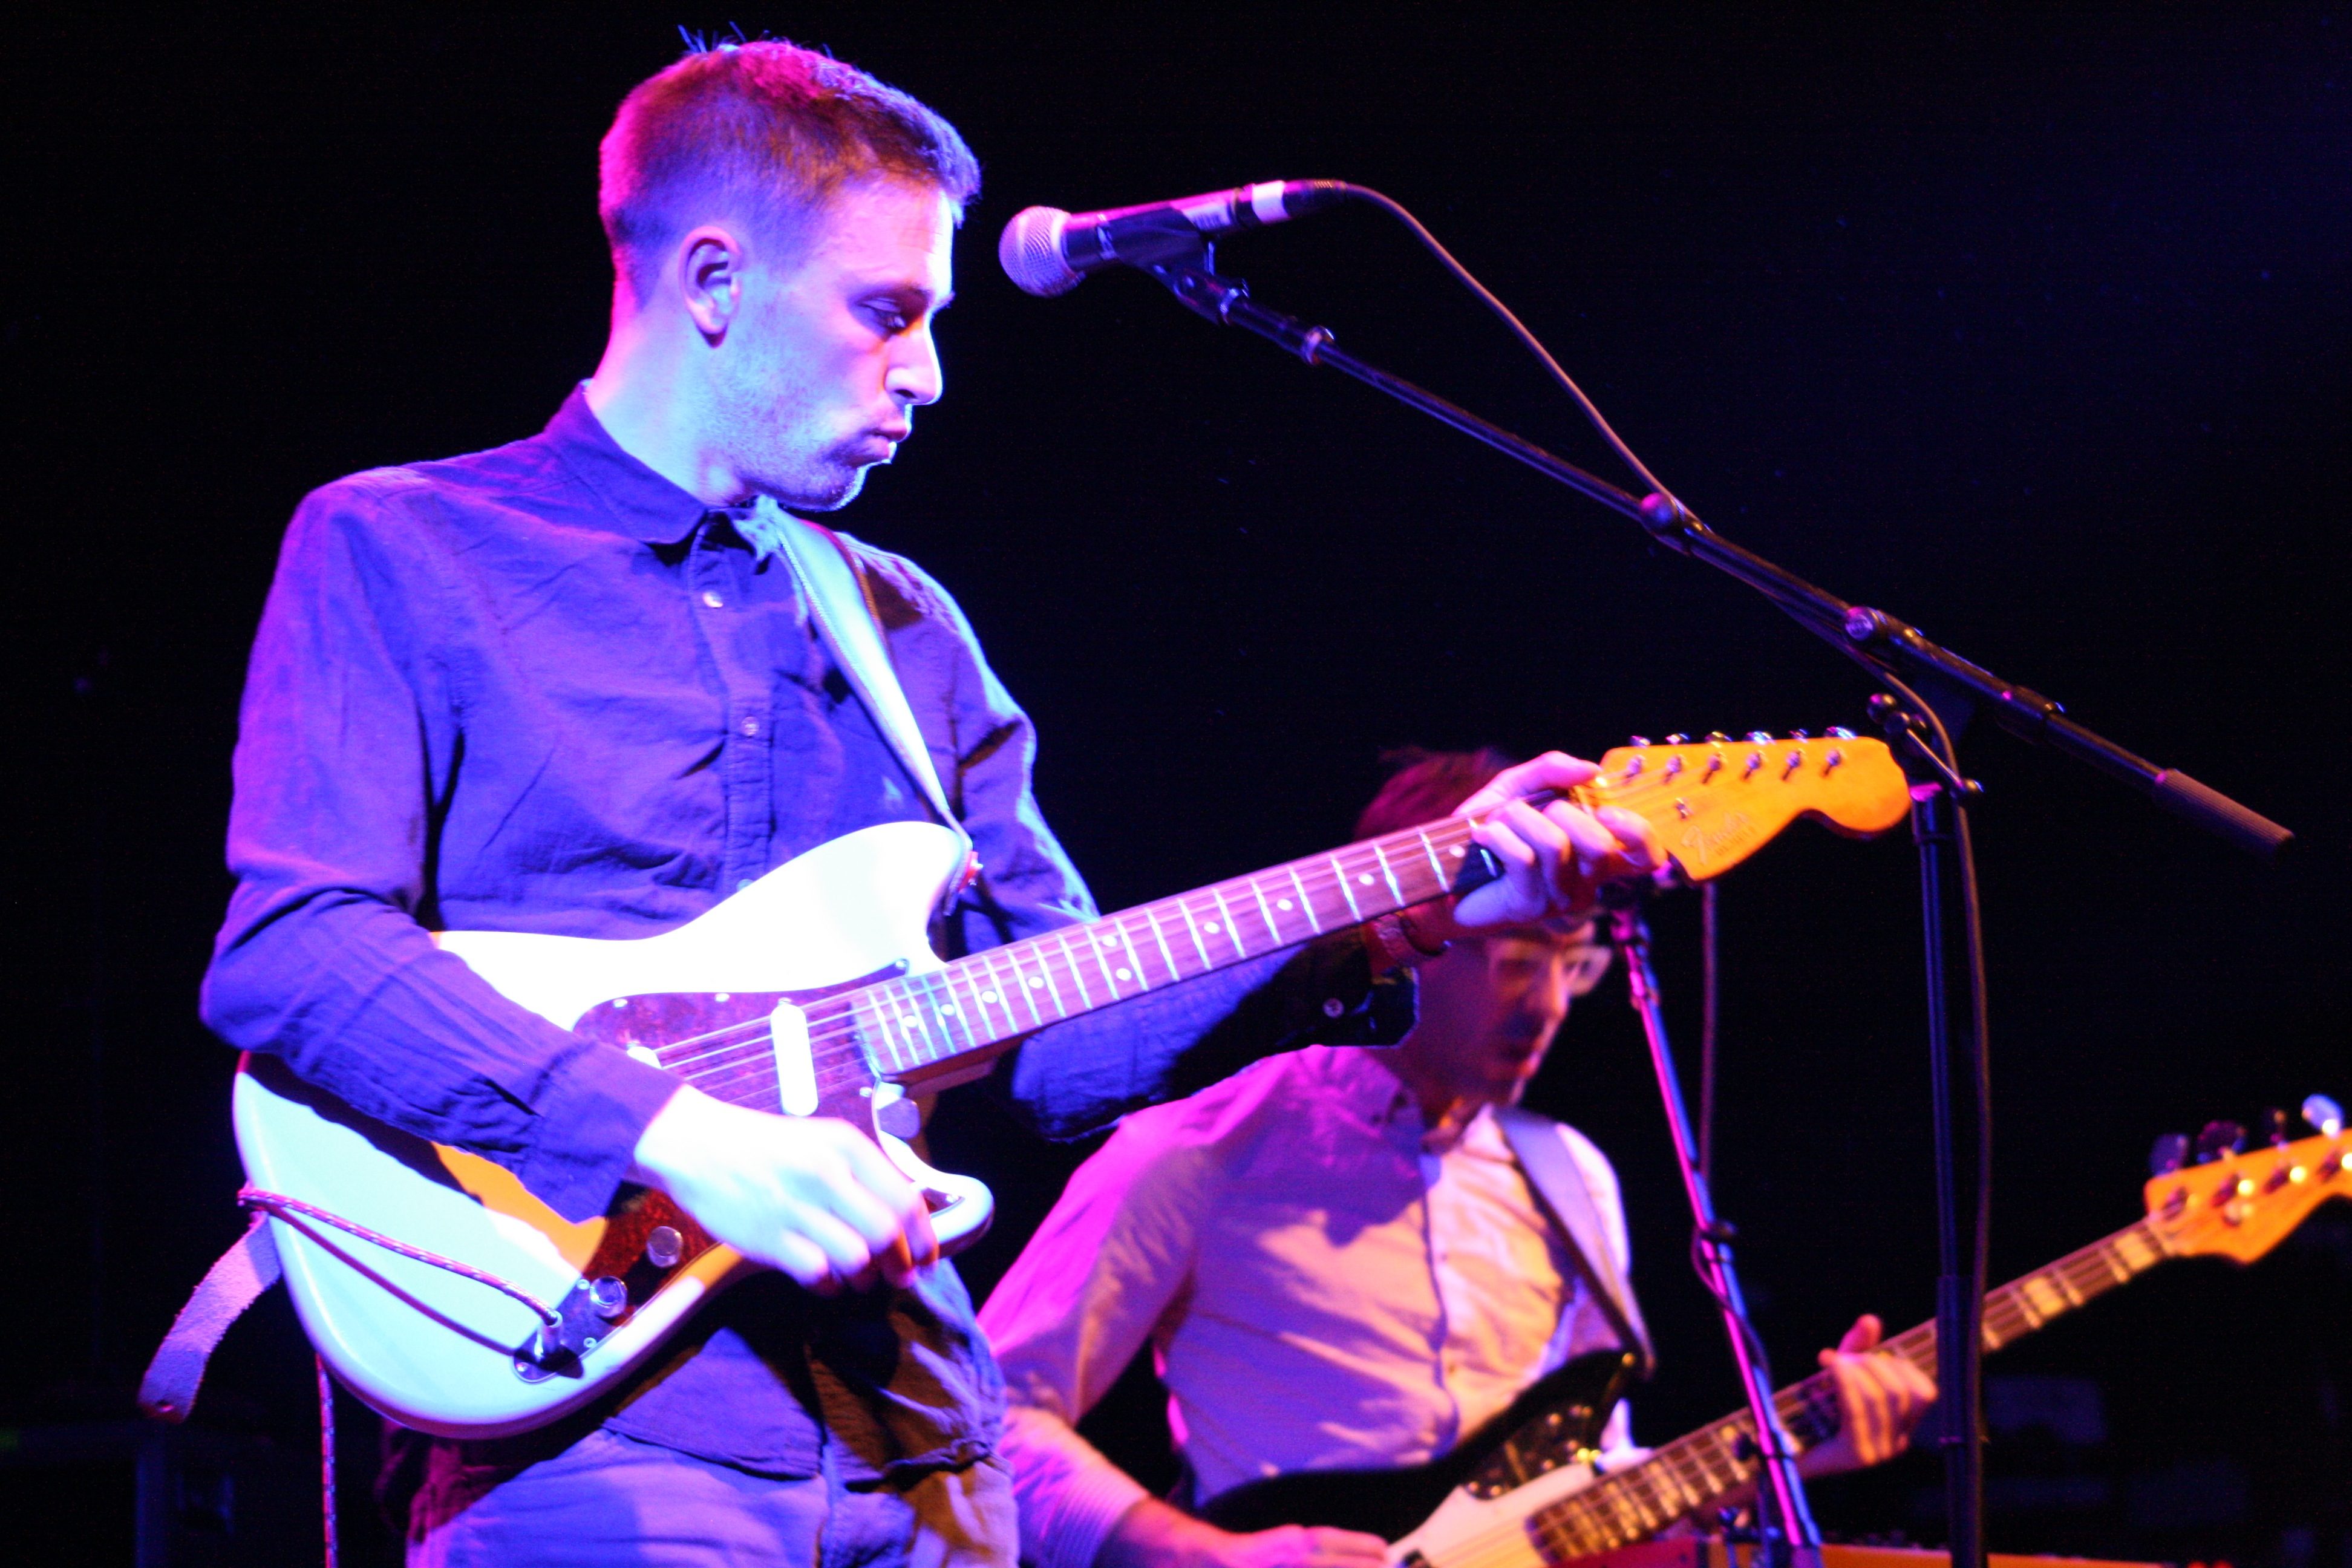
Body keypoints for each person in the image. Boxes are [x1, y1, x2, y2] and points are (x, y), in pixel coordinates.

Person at [197, 41, 1665, 1568]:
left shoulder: (905, 624)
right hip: (606, 1437)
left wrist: (1421, 898)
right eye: (887, 312)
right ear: (714, 282)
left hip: (927, 1449)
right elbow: (293, 951)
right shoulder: (407, 545)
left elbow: (1060, 1039)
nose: (929, 372)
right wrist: (675, 1134)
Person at [980, 750, 1937, 1568]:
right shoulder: (1205, 1144)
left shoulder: (1571, 1175)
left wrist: (1787, 1461)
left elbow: (1588, 1492)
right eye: (1518, 960)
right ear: (1424, 930)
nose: (1549, 1005)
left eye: (1575, 964)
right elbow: (989, 1419)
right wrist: (1201, 1556)